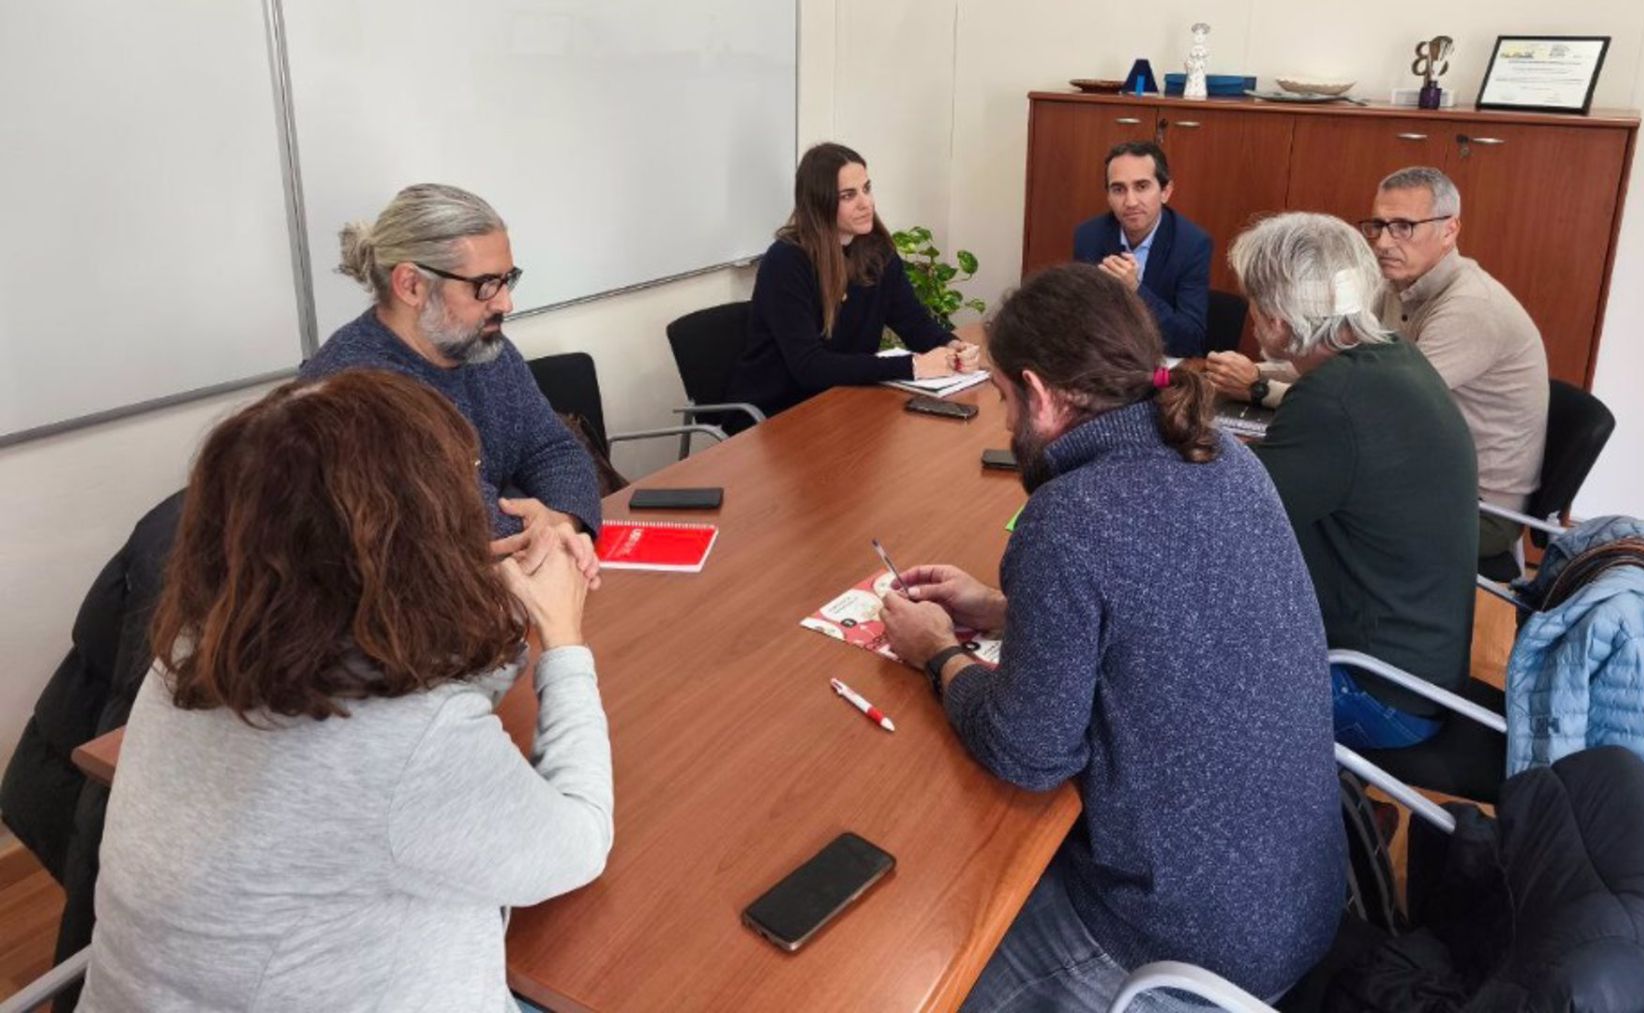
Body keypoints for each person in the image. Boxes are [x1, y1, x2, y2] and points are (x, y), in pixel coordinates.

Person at [877, 264, 1344, 1010]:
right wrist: (1004, 608)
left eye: (1003, 399)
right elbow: (1161, 608)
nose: (1004, 425)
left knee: (937, 974)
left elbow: (1027, 752)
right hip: (1305, 898)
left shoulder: (1068, 519)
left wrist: (938, 650)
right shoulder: (1230, 459)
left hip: (1190, 950)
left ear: (1038, 393)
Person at [80, 370, 613, 1012]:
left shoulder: (198, 653)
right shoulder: (409, 743)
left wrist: (487, 607)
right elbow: (578, 842)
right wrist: (562, 639)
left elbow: (391, 680)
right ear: (417, 528)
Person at [1229, 212, 1478, 750]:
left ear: (1275, 320)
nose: (1250, 315)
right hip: (1423, 661)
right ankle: (1338, 805)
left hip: (1378, 692)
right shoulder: (1390, 355)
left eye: (1252, 301)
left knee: (1171, 678)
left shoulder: (1332, 401)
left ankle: (1304, 819)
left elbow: (1229, 523)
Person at [1206, 167, 1547, 558]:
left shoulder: (1472, 309)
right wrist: (1256, 372)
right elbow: (1329, 346)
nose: (1384, 242)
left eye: (1403, 227)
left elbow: (1373, 407)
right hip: (1411, 467)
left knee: (1278, 526)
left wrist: (1259, 388)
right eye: (1378, 226)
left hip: (1474, 506)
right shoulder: (1393, 285)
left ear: (1450, 230)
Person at [303, 183, 602, 585]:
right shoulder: (356, 394)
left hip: (501, 594)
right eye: (484, 285)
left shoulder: (483, 346)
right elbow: (462, 535)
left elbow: (556, 449)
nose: (504, 303)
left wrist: (558, 518)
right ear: (411, 285)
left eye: (506, 280)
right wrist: (545, 532)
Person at [726, 142, 982, 421]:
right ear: (820, 203)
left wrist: (951, 345)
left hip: (843, 402)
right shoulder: (787, 261)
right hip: (778, 415)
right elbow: (810, 366)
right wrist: (914, 366)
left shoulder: (877, 251)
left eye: (867, 189)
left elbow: (913, 321)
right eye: (848, 195)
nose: (866, 203)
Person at [1073, 140, 1215, 357]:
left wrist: (1136, 289)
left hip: (1159, 361)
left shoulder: (1192, 244)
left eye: (1142, 187)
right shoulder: (1089, 236)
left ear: (1165, 191)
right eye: (1118, 189)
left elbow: (1190, 340)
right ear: (1108, 196)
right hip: (1104, 360)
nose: (1130, 202)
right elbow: (1080, 316)